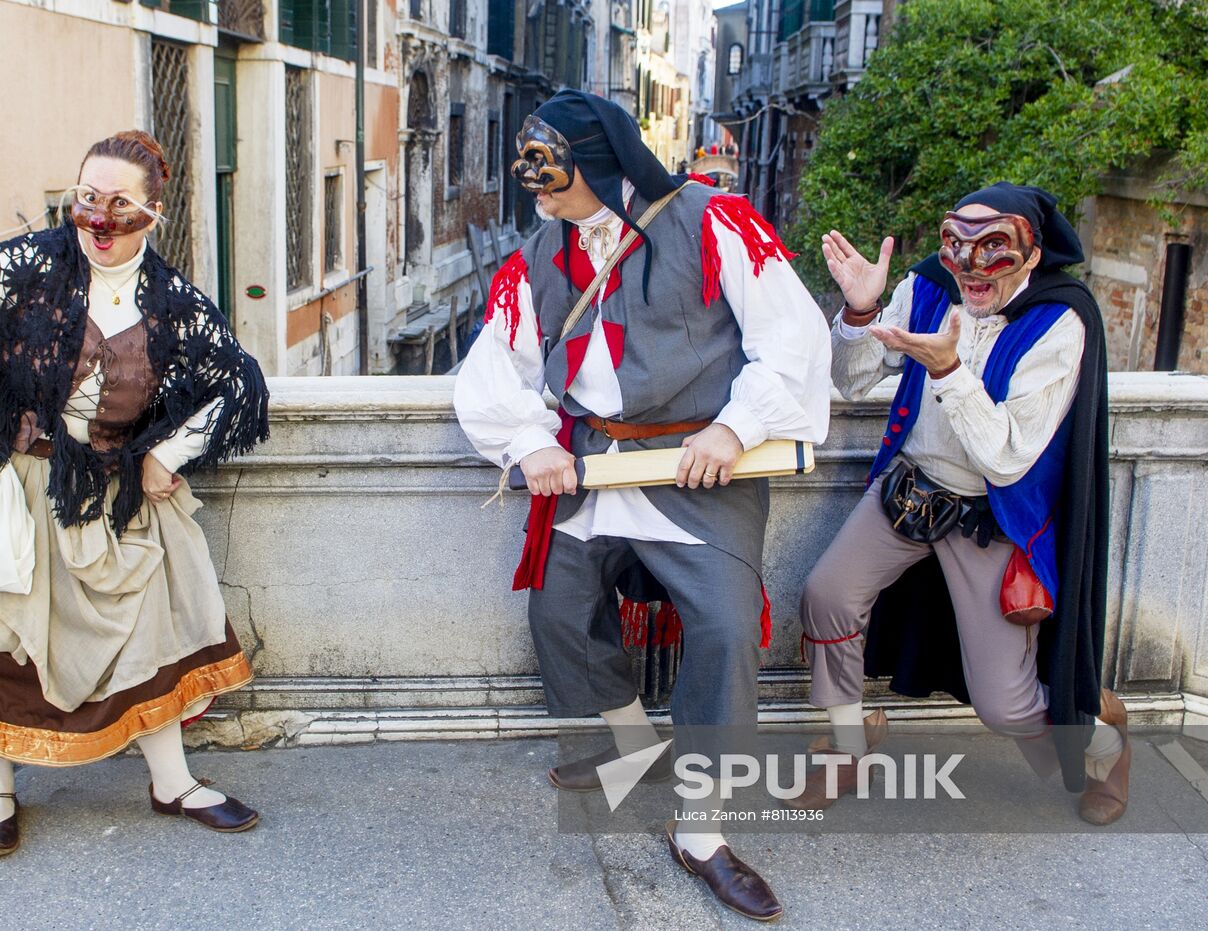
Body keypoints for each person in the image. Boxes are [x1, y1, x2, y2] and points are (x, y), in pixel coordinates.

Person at [0, 131, 270, 857]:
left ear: (153, 213)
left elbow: (240, 386)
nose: (98, 221)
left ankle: (173, 784)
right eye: (85, 199)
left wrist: (168, 451)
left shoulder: (173, 305)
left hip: (105, 496)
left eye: (119, 204)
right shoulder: (26, 266)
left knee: (149, 634)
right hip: (8, 482)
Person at [454, 90, 831, 920]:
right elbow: (492, 373)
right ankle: (631, 741)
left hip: (702, 465)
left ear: (595, 160)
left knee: (726, 627)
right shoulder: (538, 256)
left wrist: (735, 430)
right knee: (557, 606)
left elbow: (794, 337)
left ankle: (703, 829)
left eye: (548, 172)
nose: (536, 192)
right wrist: (533, 443)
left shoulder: (716, 221)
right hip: (590, 462)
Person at [796, 182, 1129, 824]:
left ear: (1031, 254)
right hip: (910, 491)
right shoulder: (925, 289)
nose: (972, 265)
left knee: (1006, 706)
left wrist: (949, 372)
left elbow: (1006, 457)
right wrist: (861, 314)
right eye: (957, 244)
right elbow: (851, 377)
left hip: (990, 519)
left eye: (994, 247)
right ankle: (848, 741)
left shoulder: (1061, 321)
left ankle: (1103, 734)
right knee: (827, 595)